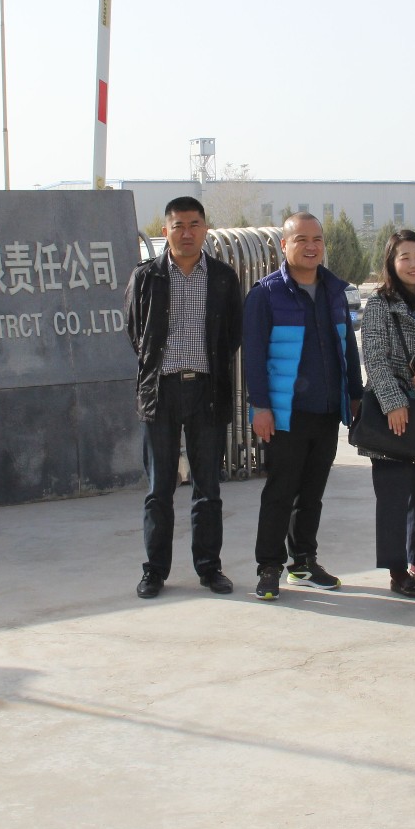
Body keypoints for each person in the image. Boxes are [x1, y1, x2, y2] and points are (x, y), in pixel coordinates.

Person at [124, 196, 243, 599]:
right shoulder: (147, 277)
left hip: (207, 391)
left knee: (208, 486)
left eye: (194, 224)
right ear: (165, 231)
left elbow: (232, 335)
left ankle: (209, 568)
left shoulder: (224, 278)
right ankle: (154, 571)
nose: (187, 232)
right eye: (178, 225)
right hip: (161, 391)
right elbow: (136, 333)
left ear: (206, 229)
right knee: (160, 488)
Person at [243, 212, 364, 601]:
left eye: (317, 239)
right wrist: (259, 407)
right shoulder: (266, 294)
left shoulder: (334, 289)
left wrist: (355, 394)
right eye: (301, 240)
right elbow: (254, 357)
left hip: (327, 409)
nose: (311, 246)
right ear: (284, 244)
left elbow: (347, 346)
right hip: (285, 413)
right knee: (281, 491)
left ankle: (304, 562)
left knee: (312, 492)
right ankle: (269, 566)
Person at [357, 230, 415, 598]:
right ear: (392, 264)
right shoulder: (380, 304)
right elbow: (375, 358)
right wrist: (394, 403)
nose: (413, 264)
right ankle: (398, 572)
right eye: (404, 257)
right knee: (395, 495)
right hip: (391, 414)